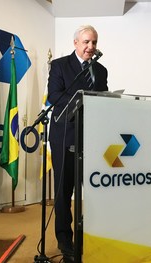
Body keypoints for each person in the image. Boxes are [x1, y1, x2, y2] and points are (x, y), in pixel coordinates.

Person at [47, 25, 108, 262]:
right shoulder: (60, 65)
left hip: (92, 138)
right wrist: (82, 100)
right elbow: (54, 96)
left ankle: (91, 237)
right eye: (86, 42)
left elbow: (103, 98)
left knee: (93, 191)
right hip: (65, 137)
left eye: (94, 42)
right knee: (64, 193)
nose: (90, 47)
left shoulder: (100, 70)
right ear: (75, 43)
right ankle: (65, 242)